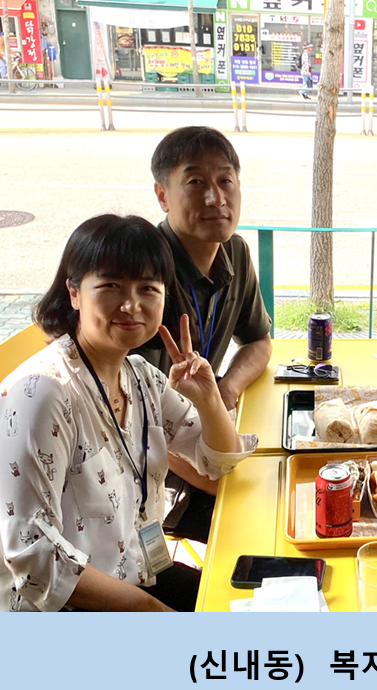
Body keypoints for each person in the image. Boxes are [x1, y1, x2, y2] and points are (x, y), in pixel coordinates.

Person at [0, 214, 257, 612]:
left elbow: (217, 463)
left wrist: (208, 399)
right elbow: (37, 562)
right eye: (110, 286)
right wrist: (154, 612)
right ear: (74, 293)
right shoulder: (43, 395)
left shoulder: (139, 376)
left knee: (252, 600)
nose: (131, 304)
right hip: (57, 608)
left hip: (135, 573)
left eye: (148, 288)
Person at [137, 126, 272, 543]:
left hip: (206, 431)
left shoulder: (235, 252)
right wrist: (214, 479)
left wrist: (225, 390)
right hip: (153, 470)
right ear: (162, 195)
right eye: (195, 182)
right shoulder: (143, 277)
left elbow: (259, 342)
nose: (215, 198)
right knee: (264, 517)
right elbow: (134, 423)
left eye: (225, 180)